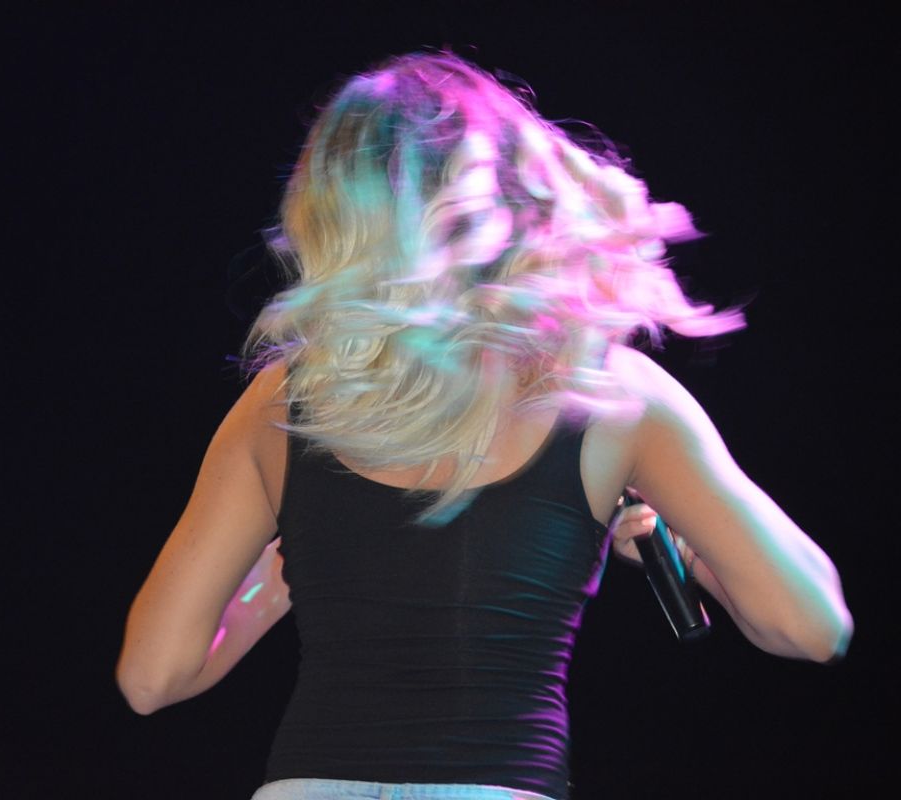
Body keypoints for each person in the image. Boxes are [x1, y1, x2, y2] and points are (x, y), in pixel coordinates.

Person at [115, 51, 852, 800]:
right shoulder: (607, 391)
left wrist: (277, 582)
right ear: (510, 191)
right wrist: (689, 555)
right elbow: (812, 626)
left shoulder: (281, 401)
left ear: (330, 212)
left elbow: (151, 677)